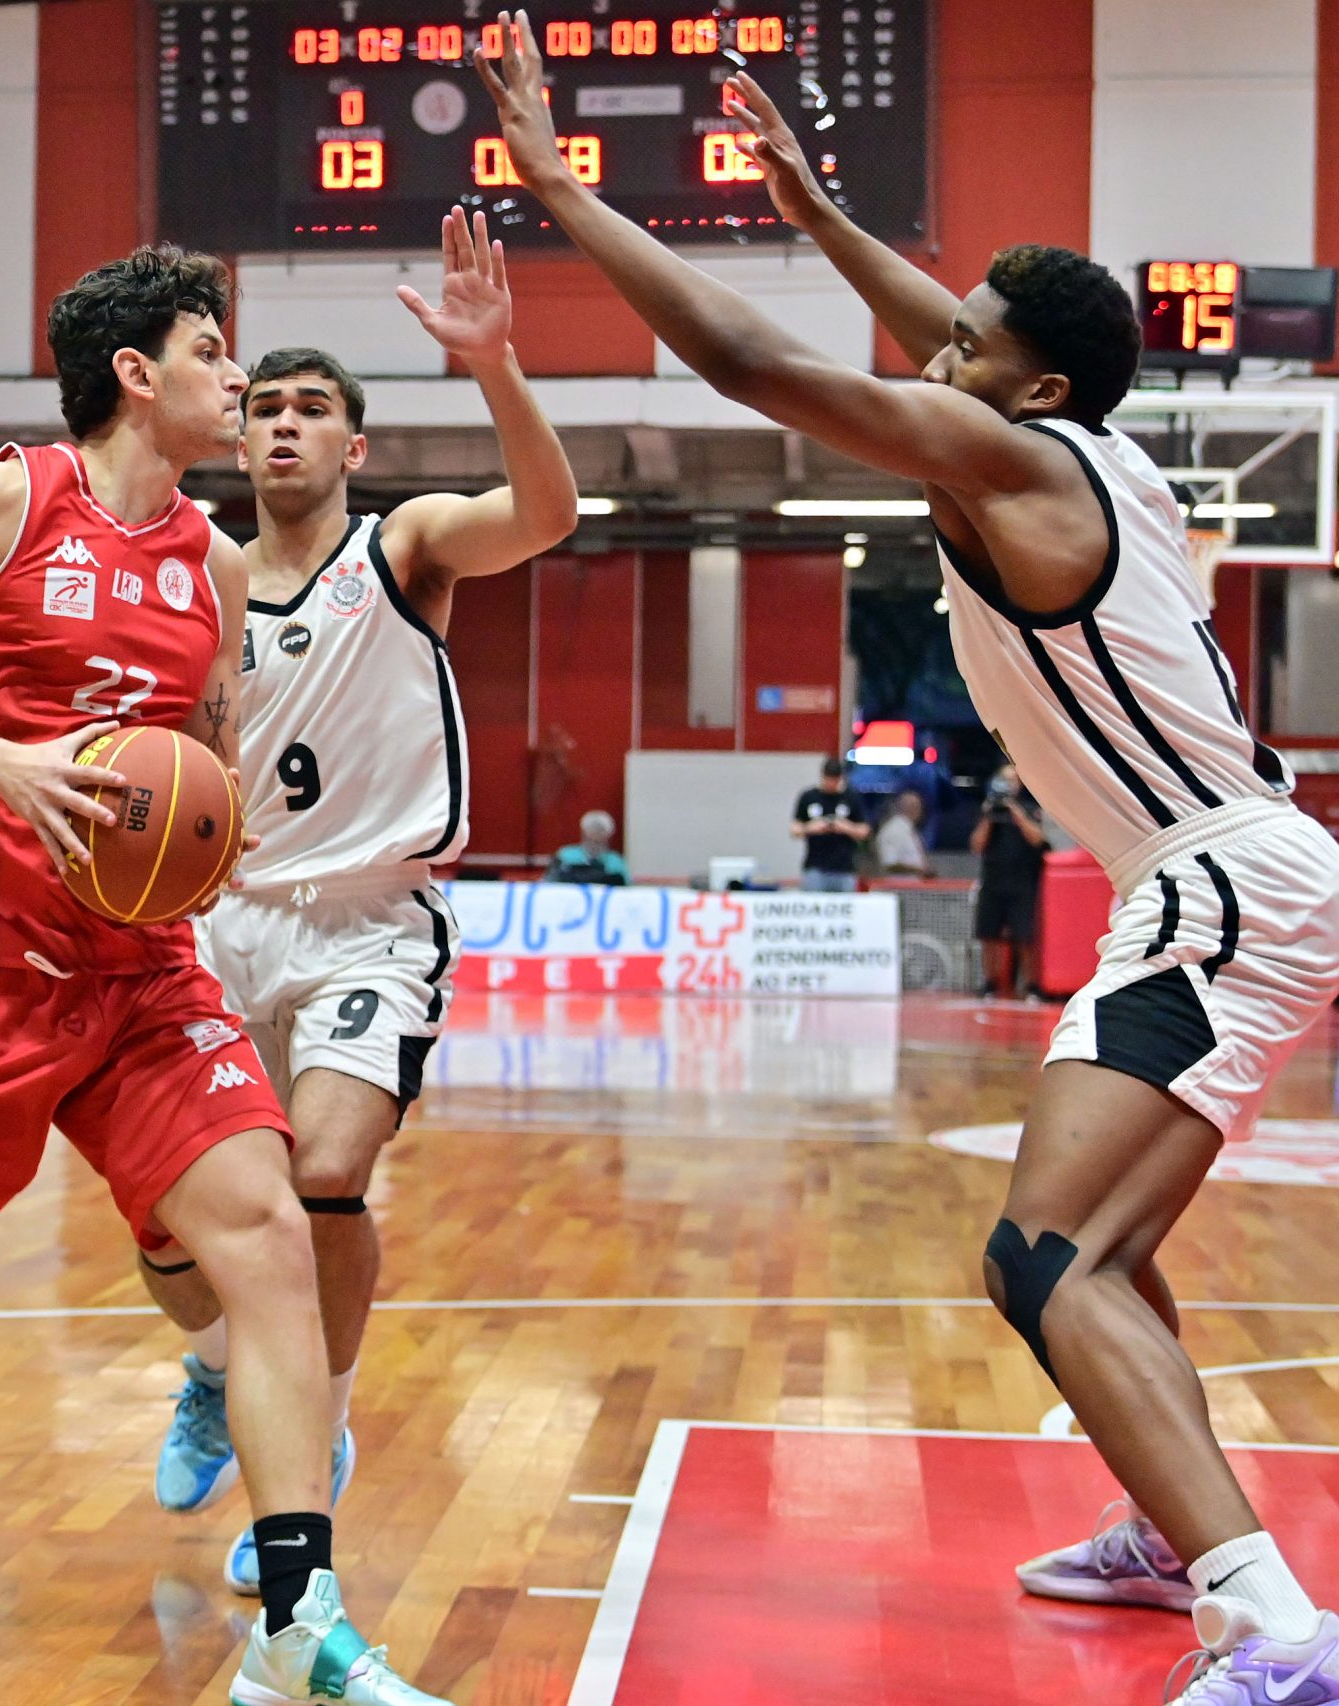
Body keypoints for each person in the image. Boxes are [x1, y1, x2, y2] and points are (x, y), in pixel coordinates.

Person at [472, 22, 1339, 1699]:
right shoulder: (1086, 443)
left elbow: (750, 364)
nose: (937, 351)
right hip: (1233, 875)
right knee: (1109, 1247)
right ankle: (1174, 1534)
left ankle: (1277, 1627)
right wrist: (815, 212)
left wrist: (564, 191)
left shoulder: (1019, 458)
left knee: (1044, 1255)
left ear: (1035, 388)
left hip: (1223, 882)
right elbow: (957, 325)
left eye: (967, 348)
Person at [0, 245, 448, 1705]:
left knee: (270, 1236)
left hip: (143, 970)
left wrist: (213, 835)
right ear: (137, 374)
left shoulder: (213, 564)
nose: (238, 376)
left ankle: (295, 1626)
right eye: (212, 350)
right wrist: (6, 767)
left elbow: (204, 759)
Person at [139, 213, 576, 1598]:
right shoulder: (193, 578)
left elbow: (547, 516)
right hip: (217, 921)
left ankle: (314, 1433)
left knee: (323, 1174)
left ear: (354, 445)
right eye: (263, 406)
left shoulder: (406, 550)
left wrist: (493, 363)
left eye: (311, 409)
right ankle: (216, 1372)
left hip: (369, 921)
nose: (282, 424)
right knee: (164, 1217)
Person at [972, 762, 1049, 996]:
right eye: (1004, 779)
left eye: (1012, 779)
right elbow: (976, 845)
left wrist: (1015, 810)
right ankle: (990, 983)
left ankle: (1031, 986)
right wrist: (989, 816)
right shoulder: (989, 810)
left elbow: (1038, 840)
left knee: (1024, 937)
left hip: (1023, 881)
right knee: (989, 934)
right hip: (993, 880)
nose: (1007, 784)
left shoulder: (1030, 807)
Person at [791, 757, 868, 891]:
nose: (831, 784)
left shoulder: (850, 798)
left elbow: (864, 831)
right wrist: (811, 828)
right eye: (828, 779)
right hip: (815, 868)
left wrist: (846, 827)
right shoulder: (809, 797)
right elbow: (794, 830)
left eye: (835, 780)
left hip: (844, 869)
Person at [546, 809, 629, 886]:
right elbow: (549, 883)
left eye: (600, 830)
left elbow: (625, 889)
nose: (595, 837)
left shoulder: (616, 861)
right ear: (583, 834)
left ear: (608, 836)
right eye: (592, 830)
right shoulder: (565, 855)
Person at [875, 788, 934, 877]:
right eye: (920, 808)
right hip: (897, 884)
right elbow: (890, 863)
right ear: (914, 808)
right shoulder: (893, 830)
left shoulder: (909, 830)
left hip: (915, 884)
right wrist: (919, 869)